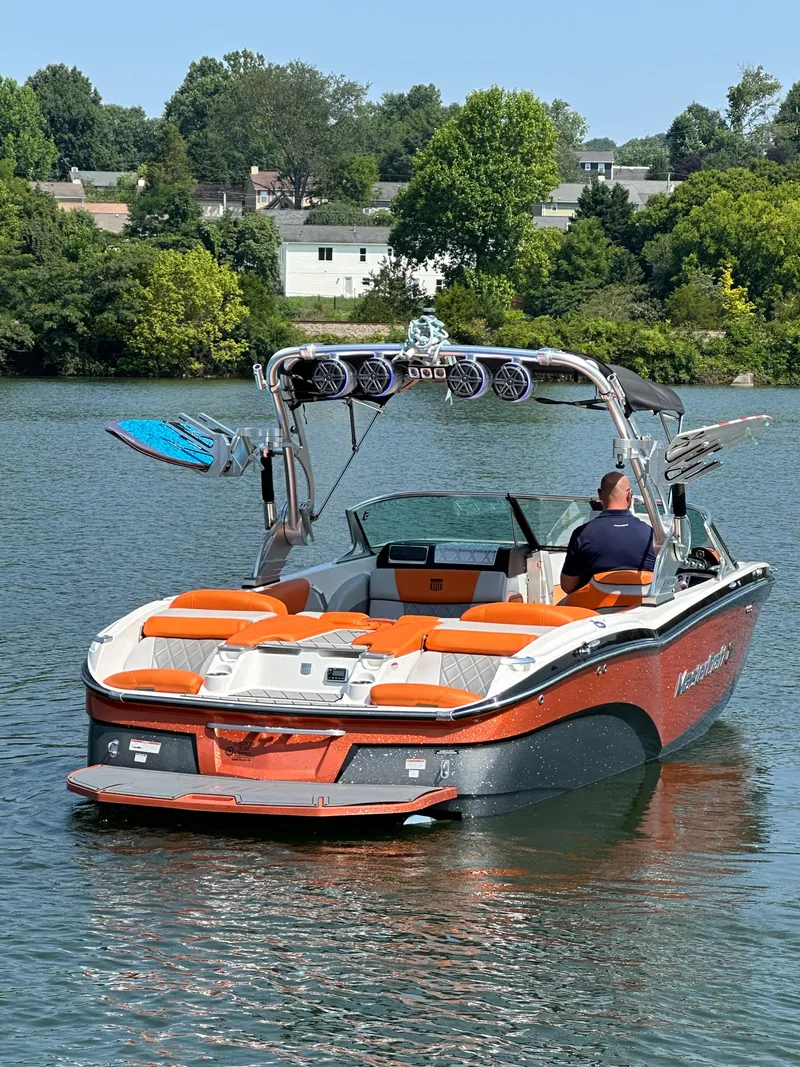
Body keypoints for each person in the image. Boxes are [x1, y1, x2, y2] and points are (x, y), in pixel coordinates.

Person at [560, 472, 656, 594]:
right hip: (639, 609)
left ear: (600, 494)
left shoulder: (582, 534)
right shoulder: (650, 534)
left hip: (592, 610)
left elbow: (567, 586)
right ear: (629, 495)